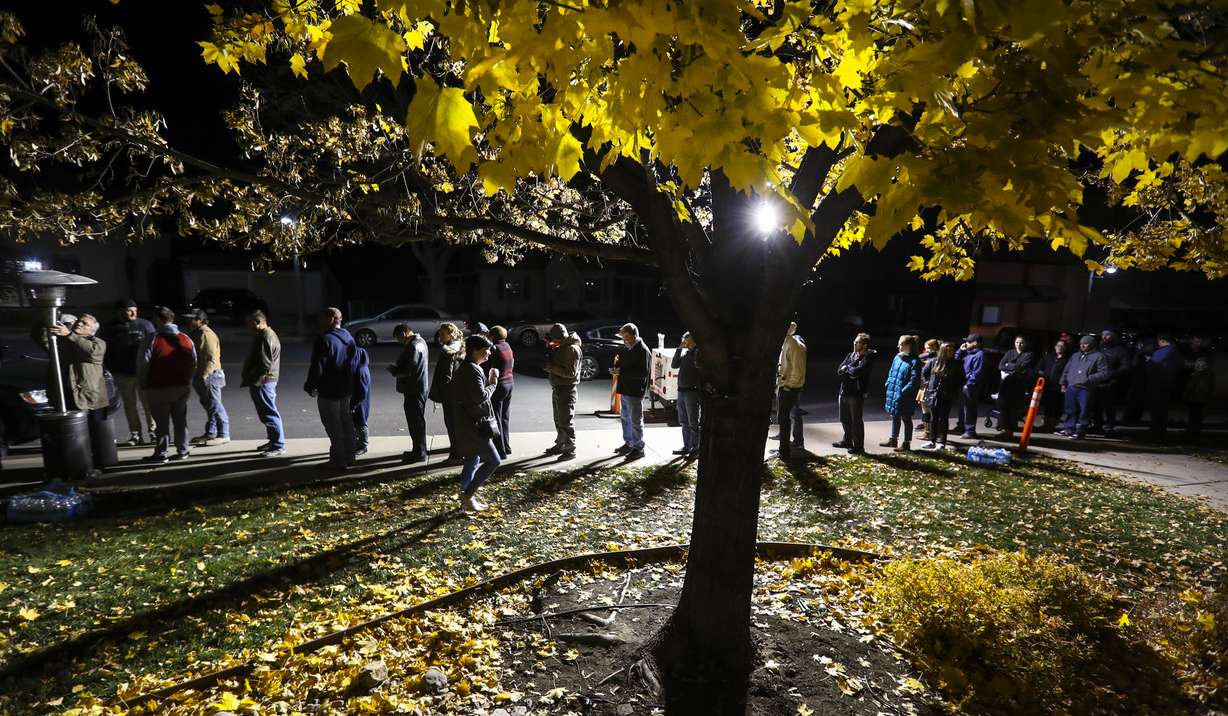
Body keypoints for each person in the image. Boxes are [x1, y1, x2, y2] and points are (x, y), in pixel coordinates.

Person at [46, 314, 109, 466]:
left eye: (84, 323)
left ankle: (99, 466)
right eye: (78, 321)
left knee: (95, 435)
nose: (79, 324)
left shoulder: (98, 343)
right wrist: (49, 315)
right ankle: (77, 465)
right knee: (72, 435)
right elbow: (39, 335)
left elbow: (91, 352)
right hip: (67, 396)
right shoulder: (62, 341)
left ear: (92, 331)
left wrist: (69, 334)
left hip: (91, 399)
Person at [450, 334, 503, 512]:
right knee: (494, 461)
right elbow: (479, 397)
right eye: (485, 350)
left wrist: (487, 380)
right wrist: (493, 383)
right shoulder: (471, 369)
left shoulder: (469, 367)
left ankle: (465, 499)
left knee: (473, 459)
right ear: (474, 351)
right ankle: (467, 495)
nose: (488, 353)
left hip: (468, 422)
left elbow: (473, 394)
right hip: (473, 425)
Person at [304, 307, 361, 469]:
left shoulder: (324, 339)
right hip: (346, 389)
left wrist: (310, 386)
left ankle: (338, 460)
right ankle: (351, 456)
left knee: (333, 425)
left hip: (329, 390)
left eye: (322, 318)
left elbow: (317, 366)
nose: (319, 321)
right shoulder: (348, 337)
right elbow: (354, 363)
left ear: (330, 319)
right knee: (346, 422)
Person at [138, 307, 197, 463]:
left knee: (161, 422)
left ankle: (161, 453)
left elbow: (143, 363)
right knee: (180, 420)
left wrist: (143, 384)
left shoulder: (152, 339)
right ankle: (183, 450)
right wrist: (187, 380)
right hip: (182, 387)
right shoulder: (185, 338)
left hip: (159, 387)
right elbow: (193, 361)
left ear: (158, 319)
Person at [98, 299, 155, 446]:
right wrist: (107, 368)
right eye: (129, 310)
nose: (133, 313)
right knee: (130, 405)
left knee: (148, 403)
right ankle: (136, 434)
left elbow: (155, 348)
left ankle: (153, 431)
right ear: (119, 312)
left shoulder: (145, 325)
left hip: (143, 372)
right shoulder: (109, 328)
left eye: (135, 310)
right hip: (122, 372)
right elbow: (103, 349)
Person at [241, 310, 285, 457]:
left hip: (264, 381)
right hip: (264, 381)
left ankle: (278, 445)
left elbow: (265, 364)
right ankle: (273, 441)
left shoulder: (265, 337)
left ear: (258, 322)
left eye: (249, 324)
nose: (248, 327)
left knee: (269, 413)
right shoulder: (264, 335)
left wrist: (254, 379)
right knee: (266, 413)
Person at [182, 309, 229, 447]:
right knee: (209, 406)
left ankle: (224, 434)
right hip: (202, 374)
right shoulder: (196, 333)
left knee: (215, 405)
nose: (188, 321)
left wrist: (204, 376)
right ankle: (211, 432)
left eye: (192, 319)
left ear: (200, 320)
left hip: (210, 375)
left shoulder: (206, 334)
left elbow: (211, 358)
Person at [389, 323, 429, 464]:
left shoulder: (413, 346)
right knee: (417, 421)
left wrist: (395, 371)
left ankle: (419, 453)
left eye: (399, 339)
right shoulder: (421, 341)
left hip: (414, 389)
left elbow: (410, 369)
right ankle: (418, 450)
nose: (399, 342)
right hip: (418, 387)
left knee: (415, 422)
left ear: (403, 334)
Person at [543, 323, 582, 459]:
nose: (554, 342)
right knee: (559, 420)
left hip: (567, 389)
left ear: (560, 338)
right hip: (559, 388)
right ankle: (561, 444)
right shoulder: (564, 346)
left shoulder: (571, 349)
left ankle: (570, 449)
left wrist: (551, 368)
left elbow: (571, 373)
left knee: (566, 421)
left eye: (555, 340)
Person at [429, 322, 466, 462]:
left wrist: (442, 394)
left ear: (452, 334)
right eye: (439, 333)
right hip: (459, 392)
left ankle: (456, 455)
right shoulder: (461, 346)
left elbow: (445, 377)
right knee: (458, 425)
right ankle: (459, 452)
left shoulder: (447, 351)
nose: (440, 336)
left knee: (451, 424)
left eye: (442, 334)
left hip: (450, 395)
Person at [1059, 334, 1108, 439]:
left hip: (1086, 389)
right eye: (1081, 343)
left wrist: (1088, 379)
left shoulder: (1099, 356)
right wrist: (1063, 382)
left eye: (1085, 344)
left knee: (1084, 410)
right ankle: (1069, 429)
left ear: (1091, 344)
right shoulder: (1075, 355)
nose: (1082, 345)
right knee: (1070, 409)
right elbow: (1067, 369)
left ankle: (1081, 431)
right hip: (1072, 386)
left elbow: (1104, 373)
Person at [834, 332, 874, 455]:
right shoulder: (850, 355)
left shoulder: (867, 357)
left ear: (865, 345)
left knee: (856, 420)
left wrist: (848, 368)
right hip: (844, 391)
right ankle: (847, 440)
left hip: (856, 393)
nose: (855, 343)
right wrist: (847, 369)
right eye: (854, 341)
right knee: (844, 418)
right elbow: (839, 370)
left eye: (858, 342)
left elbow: (858, 372)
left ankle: (858, 446)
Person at [881, 335, 922, 451]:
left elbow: (914, 380)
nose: (898, 346)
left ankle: (906, 443)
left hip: (905, 395)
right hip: (894, 392)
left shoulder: (915, 361)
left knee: (906, 418)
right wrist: (888, 383)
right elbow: (891, 372)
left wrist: (903, 392)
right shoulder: (897, 357)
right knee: (895, 415)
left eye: (901, 344)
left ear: (908, 345)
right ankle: (893, 439)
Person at [919, 342, 964, 450]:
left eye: (952, 350)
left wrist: (954, 388)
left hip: (947, 395)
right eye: (948, 350)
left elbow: (962, 379)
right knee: (934, 418)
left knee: (943, 418)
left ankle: (941, 442)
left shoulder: (956, 363)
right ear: (943, 351)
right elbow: (924, 373)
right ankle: (931, 440)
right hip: (933, 394)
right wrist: (927, 383)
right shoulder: (934, 361)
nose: (950, 352)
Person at [993, 335, 1039, 438]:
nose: (1019, 344)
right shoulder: (1010, 352)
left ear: (1025, 344)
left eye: (1021, 342)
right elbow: (1000, 365)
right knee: (1003, 406)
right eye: (1017, 342)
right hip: (1005, 384)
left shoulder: (1029, 354)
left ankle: (1010, 431)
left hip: (1018, 384)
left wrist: (1008, 365)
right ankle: (1003, 428)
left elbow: (1021, 368)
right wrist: (1012, 367)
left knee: (1013, 408)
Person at [775, 322, 807, 458]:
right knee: (783, 418)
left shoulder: (793, 344)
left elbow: (798, 369)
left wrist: (789, 386)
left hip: (789, 387)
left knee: (786, 418)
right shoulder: (786, 342)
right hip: (784, 385)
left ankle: (785, 451)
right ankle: (784, 448)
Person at [1093, 330, 1133, 436]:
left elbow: (1126, 366)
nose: (1104, 337)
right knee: (1096, 405)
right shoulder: (1098, 348)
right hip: (1096, 381)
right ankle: (1097, 425)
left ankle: (1109, 427)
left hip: (1111, 382)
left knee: (1109, 405)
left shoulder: (1120, 350)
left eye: (1107, 335)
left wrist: (1113, 373)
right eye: (1103, 335)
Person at [484, 325, 515, 457]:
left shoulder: (494, 348)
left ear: (492, 336)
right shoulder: (507, 346)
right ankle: (507, 447)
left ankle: (500, 451)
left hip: (499, 385)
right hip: (510, 383)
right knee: (504, 418)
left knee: (495, 418)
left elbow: (486, 366)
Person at [1146, 334, 1183, 440]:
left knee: (1156, 409)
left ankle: (1156, 431)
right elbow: (1180, 366)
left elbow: (1153, 367)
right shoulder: (1176, 352)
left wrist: (1149, 361)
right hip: (1169, 383)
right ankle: (1160, 431)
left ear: (1162, 340)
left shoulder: (1160, 352)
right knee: (1163, 408)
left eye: (1158, 341)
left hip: (1157, 383)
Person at [671, 331, 701, 458]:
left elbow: (698, 367)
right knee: (683, 421)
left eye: (687, 341)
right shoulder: (686, 354)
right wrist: (678, 350)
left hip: (691, 391)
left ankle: (696, 448)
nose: (685, 343)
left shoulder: (697, 353)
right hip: (682, 390)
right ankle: (687, 446)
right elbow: (674, 365)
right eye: (684, 341)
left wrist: (692, 349)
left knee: (693, 421)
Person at [953, 334, 985, 438]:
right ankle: (961, 426)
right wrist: (960, 351)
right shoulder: (967, 352)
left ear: (975, 343)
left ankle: (970, 431)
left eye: (968, 342)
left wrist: (969, 384)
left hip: (970, 386)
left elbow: (977, 373)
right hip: (962, 383)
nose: (965, 344)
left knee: (969, 408)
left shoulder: (980, 355)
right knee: (961, 407)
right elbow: (955, 360)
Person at [1183, 336, 1213, 438]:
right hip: (1194, 385)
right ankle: (1193, 430)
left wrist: (1191, 365)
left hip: (1199, 387)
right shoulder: (1189, 353)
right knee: (1194, 410)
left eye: (1198, 341)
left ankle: (1194, 431)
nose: (1196, 343)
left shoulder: (1204, 354)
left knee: (1197, 410)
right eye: (1194, 341)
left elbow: (1200, 366)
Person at [1038, 339, 1071, 431]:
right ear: (1055, 347)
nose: (1059, 347)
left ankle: (1052, 425)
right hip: (1047, 385)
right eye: (1058, 345)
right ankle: (1046, 424)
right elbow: (1039, 367)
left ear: (1065, 348)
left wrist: (1064, 383)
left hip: (1059, 387)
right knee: (1047, 406)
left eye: (1062, 346)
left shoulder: (1068, 359)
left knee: (1056, 407)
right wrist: (1043, 376)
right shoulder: (1049, 356)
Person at [915, 339, 940, 440]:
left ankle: (929, 433)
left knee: (928, 410)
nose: (927, 351)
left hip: (929, 386)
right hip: (924, 386)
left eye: (929, 348)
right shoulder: (929, 357)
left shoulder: (937, 358)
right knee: (925, 409)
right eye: (926, 348)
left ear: (935, 347)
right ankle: (928, 432)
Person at [351, 345, 372, 456]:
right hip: (360, 401)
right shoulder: (362, 368)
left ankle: (363, 446)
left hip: (360, 403)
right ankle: (358, 444)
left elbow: (361, 392)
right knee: (358, 423)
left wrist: (353, 405)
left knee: (361, 423)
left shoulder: (360, 371)